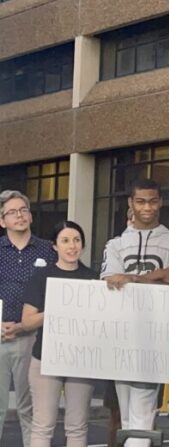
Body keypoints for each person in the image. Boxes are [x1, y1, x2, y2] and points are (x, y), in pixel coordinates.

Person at [100, 179, 169, 447]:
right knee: (124, 415)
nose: (147, 207)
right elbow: (111, 281)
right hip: (120, 336)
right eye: (140, 201)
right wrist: (158, 275)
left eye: (152, 201)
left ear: (160, 202)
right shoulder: (115, 244)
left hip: (154, 337)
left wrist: (133, 278)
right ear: (131, 203)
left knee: (143, 414)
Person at [21, 221, 97, 447]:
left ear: (82, 244)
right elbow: (27, 321)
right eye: (65, 241)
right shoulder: (41, 277)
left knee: (77, 426)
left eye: (76, 240)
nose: (72, 246)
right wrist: (55, 310)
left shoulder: (93, 279)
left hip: (81, 359)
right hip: (45, 358)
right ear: (54, 246)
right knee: (43, 425)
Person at [0, 190, 56, 447]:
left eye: (23, 210)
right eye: (12, 212)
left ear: (31, 216)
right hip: (0, 335)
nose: (19, 215)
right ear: (2, 221)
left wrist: (25, 325)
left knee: (29, 408)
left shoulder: (48, 249)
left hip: (33, 337)